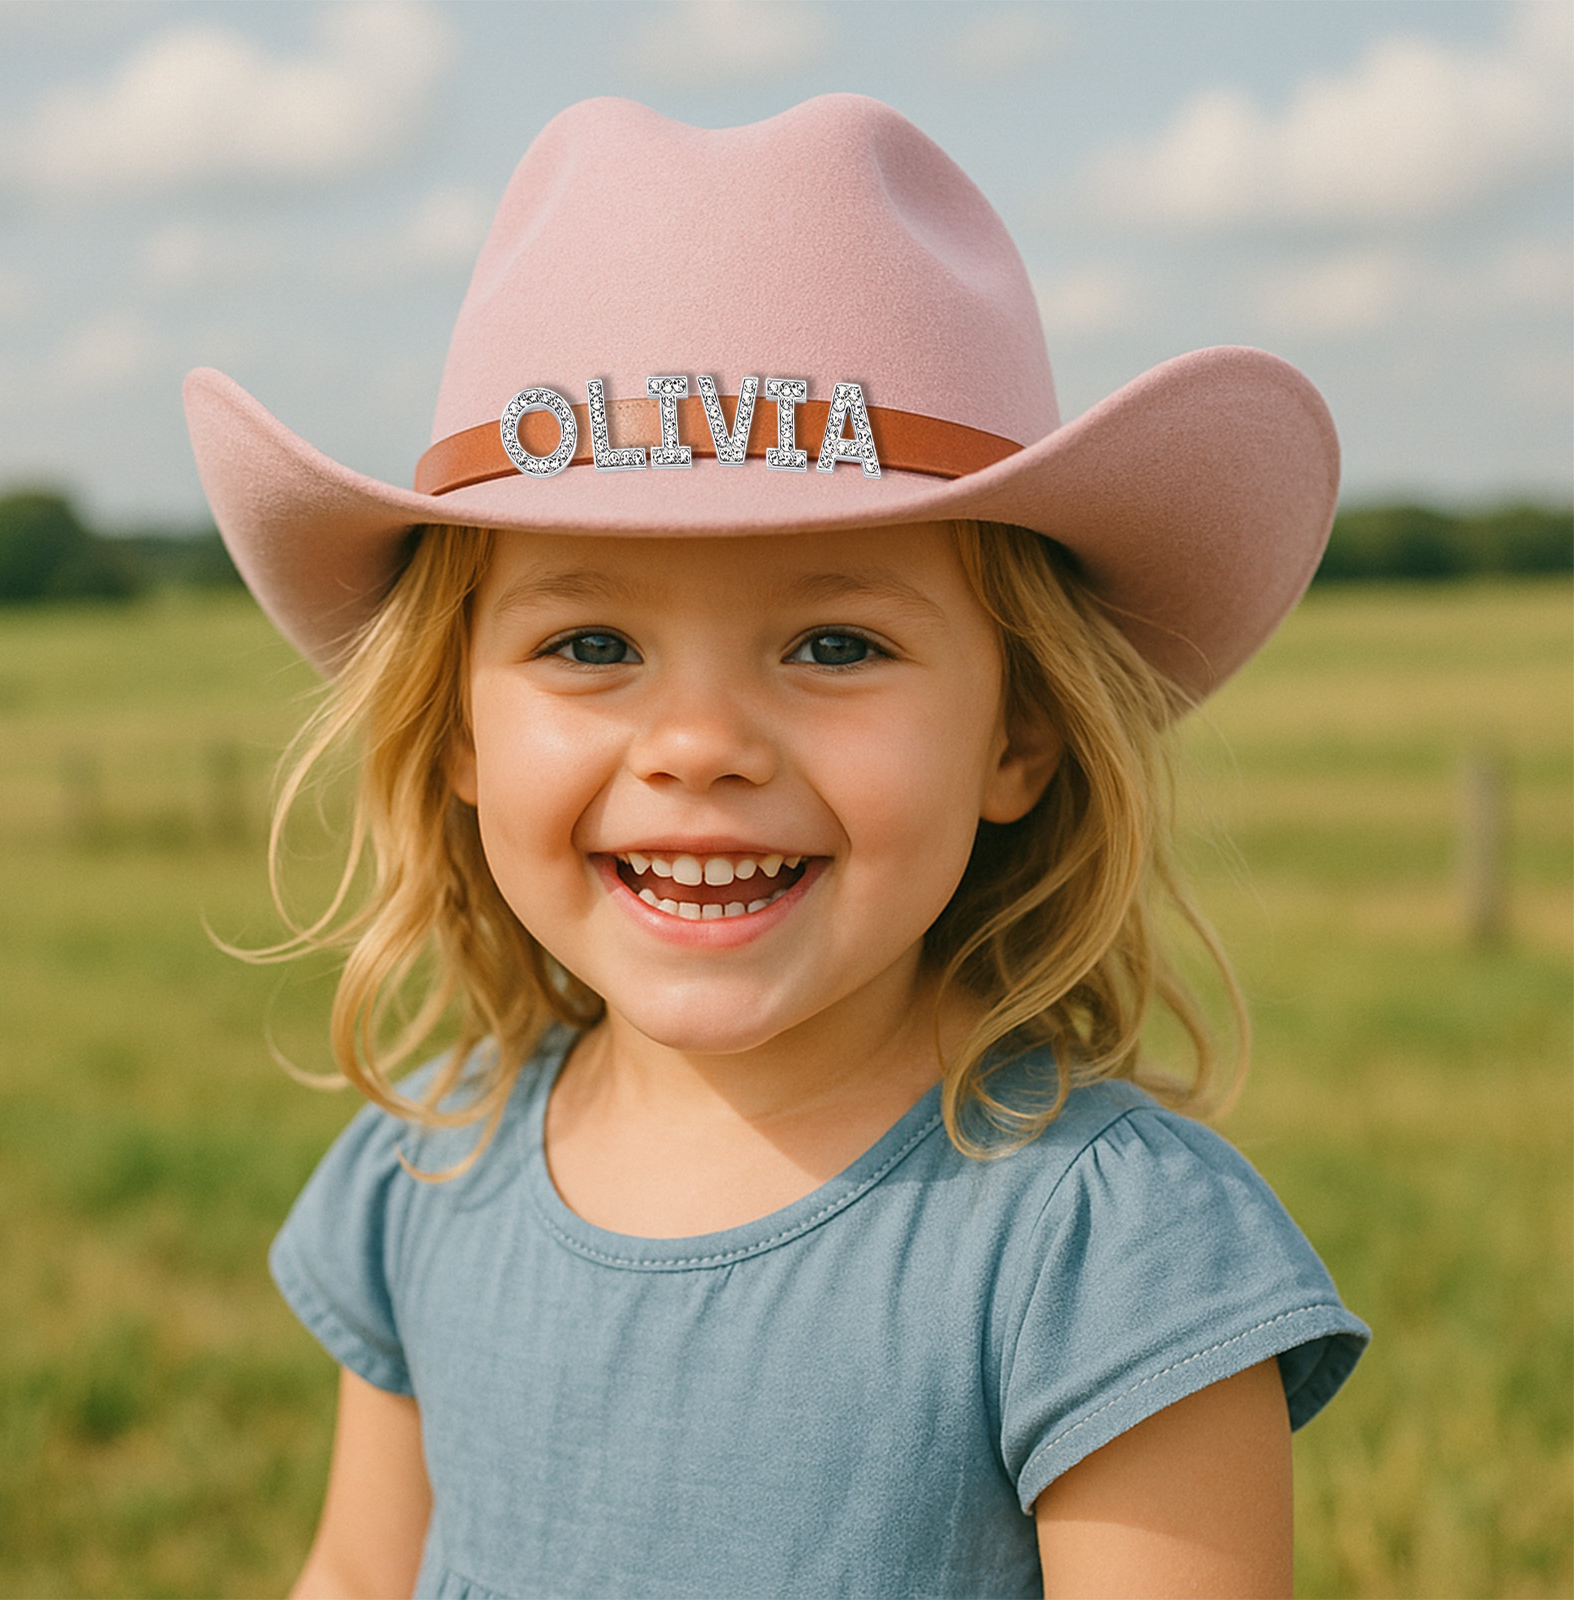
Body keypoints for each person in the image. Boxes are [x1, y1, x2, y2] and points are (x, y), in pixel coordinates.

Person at [185, 95, 1367, 1599]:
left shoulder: (1104, 1252)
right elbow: (357, 1576)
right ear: (462, 734)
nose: (701, 744)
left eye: (833, 641)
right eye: (593, 640)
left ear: (1020, 736)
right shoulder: (430, 1168)